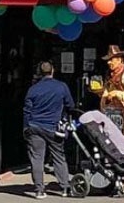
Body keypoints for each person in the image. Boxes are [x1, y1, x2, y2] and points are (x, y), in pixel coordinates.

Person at [23, 61, 75, 199]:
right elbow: (70, 105)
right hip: (53, 127)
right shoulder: (61, 87)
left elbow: (27, 111)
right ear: (53, 71)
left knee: (37, 158)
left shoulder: (33, 89)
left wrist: (26, 127)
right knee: (59, 156)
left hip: (35, 126)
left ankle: (39, 190)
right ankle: (65, 187)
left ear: (39, 73)